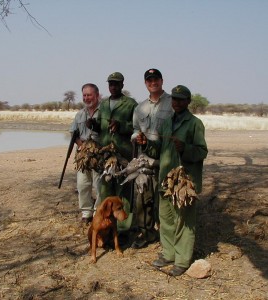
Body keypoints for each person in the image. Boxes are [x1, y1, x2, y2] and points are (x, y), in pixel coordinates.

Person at [136, 85, 208, 276]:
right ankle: (168, 254)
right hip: (166, 180)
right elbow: (158, 148)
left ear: (188, 101)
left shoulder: (194, 124)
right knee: (166, 218)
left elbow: (202, 152)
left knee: (184, 221)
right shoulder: (167, 123)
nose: (176, 102)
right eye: (174, 99)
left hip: (184, 183)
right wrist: (146, 144)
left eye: (181, 99)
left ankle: (183, 260)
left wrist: (185, 148)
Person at [86, 72, 138, 233]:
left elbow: (137, 128)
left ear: (122, 85)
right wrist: (93, 125)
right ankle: (107, 229)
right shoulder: (103, 104)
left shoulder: (130, 104)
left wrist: (121, 126)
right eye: (110, 84)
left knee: (123, 192)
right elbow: (101, 127)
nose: (113, 87)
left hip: (123, 155)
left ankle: (123, 230)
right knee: (106, 192)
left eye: (116, 84)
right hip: (106, 155)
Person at [130, 68, 174, 249]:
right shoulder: (140, 107)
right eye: (149, 80)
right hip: (145, 158)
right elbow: (134, 130)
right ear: (145, 83)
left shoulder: (173, 102)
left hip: (167, 158)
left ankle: (167, 236)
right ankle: (146, 233)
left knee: (165, 198)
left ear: (162, 81)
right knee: (143, 197)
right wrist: (137, 137)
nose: (152, 82)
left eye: (156, 79)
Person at [70, 83, 101, 224]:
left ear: (97, 95)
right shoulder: (80, 114)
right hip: (83, 155)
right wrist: (81, 145)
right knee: (82, 185)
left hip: (100, 154)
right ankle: (86, 212)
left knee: (99, 185)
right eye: (84, 95)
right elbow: (73, 133)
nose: (87, 98)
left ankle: (98, 212)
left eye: (89, 95)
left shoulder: (104, 112)